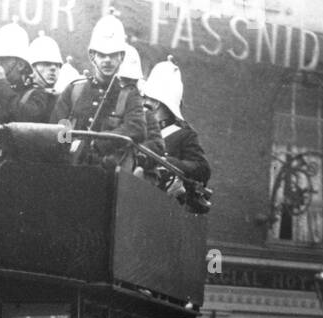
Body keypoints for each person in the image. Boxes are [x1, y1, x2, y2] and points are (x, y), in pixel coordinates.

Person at [50, 13, 158, 167]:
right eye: (102, 54)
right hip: (70, 169)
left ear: (121, 57)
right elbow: (58, 124)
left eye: (113, 55)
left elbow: (136, 128)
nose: (107, 60)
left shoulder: (129, 95)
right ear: (92, 56)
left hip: (107, 174)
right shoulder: (75, 90)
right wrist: (69, 147)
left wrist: (97, 143)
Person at [140, 58, 211, 197]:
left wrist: (170, 163)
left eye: (146, 98)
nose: (142, 102)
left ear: (155, 103)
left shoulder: (184, 135)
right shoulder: (139, 129)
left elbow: (202, 169)